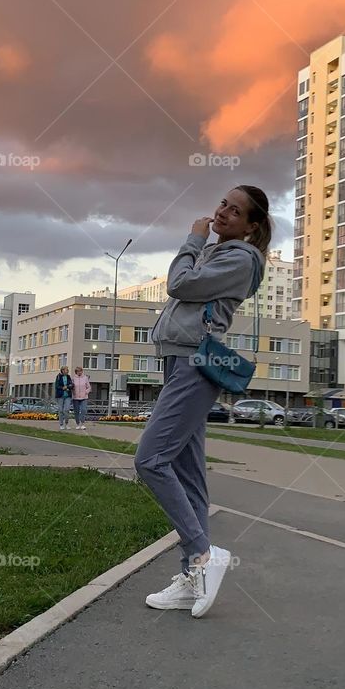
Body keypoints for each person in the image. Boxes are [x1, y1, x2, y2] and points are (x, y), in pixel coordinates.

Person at [135, 185, 269, 618]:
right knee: (189, 474)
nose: (223, 212)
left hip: (195, 363)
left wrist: (193, 239)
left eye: (235, 210)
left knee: (150, 459)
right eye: (223, 204)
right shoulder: (220, 253)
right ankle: (193, 578)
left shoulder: (240, 259)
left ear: (251, 226)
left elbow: (179, 284)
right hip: (179, 360)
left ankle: (203, 554)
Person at [72, 366, 92, 430]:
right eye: (78, 371)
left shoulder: (85, 378)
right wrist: (73, 392)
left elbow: (89, 387)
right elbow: (71, 387)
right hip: (76, 397)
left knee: (83, 410)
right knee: (76, 411)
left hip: (84, 397)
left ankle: (82, 423)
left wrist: (86, 392)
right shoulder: (73, 378)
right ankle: (77, 424)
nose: (79, 372)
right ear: (76, 372)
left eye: (80, 371)